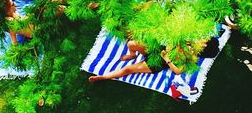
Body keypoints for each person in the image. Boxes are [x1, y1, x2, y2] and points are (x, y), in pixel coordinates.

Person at [88, 37, 219, 82]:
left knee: (128, 69)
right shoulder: (191, 39)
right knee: (131, 44)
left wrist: (167, 59)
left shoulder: (193, 57)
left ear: (205, 47)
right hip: (160, 49)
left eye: (205, 40)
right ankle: (132, 55)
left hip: (159, 62)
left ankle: (103, 77)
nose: (202, 38)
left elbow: (178, 71)